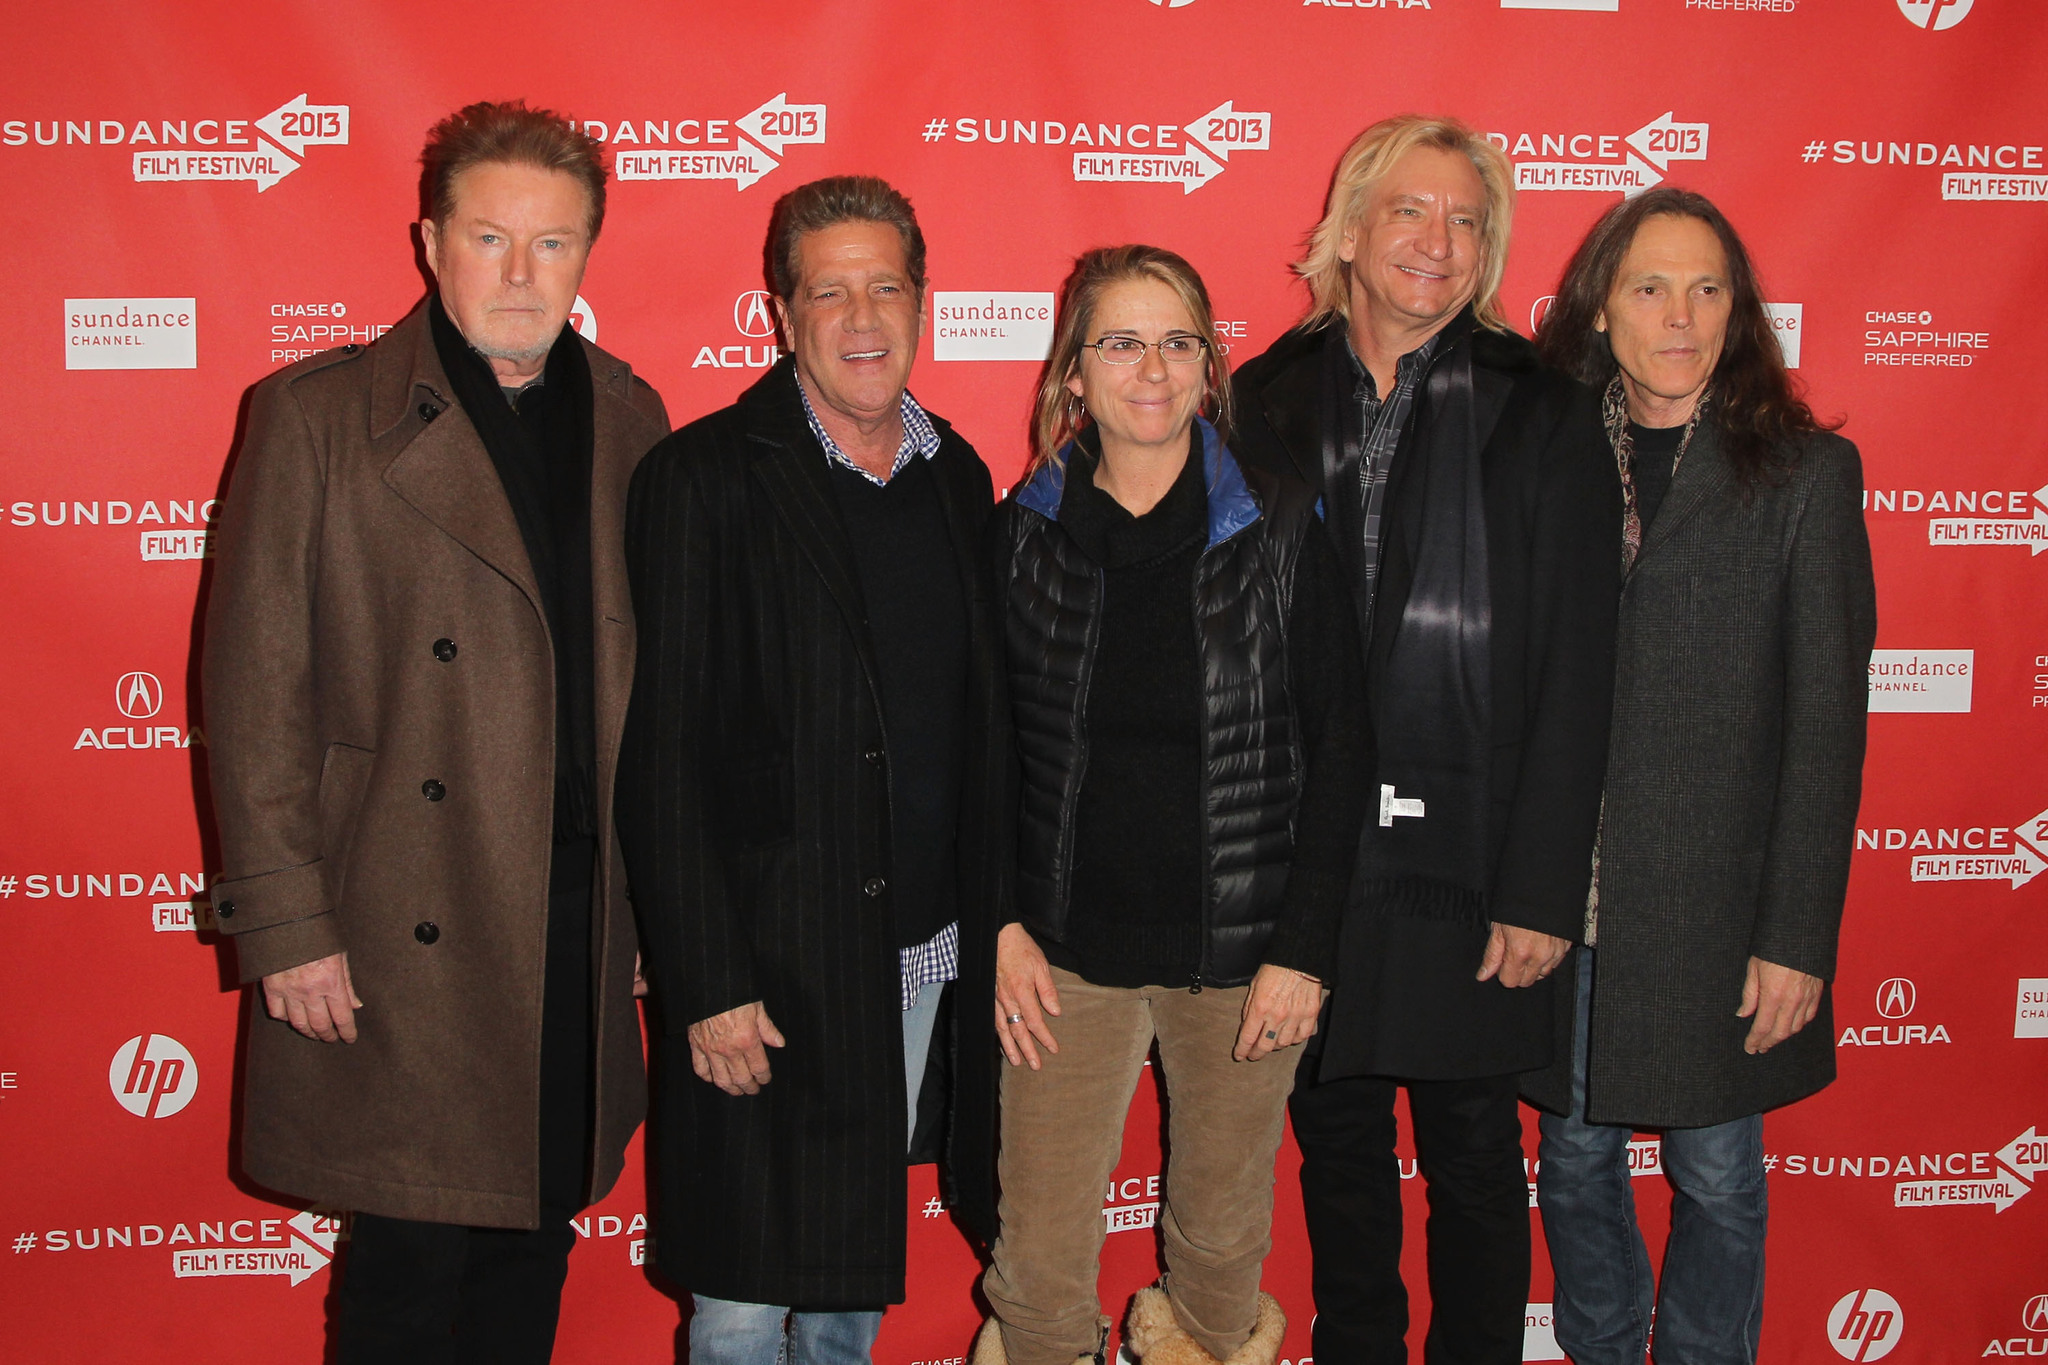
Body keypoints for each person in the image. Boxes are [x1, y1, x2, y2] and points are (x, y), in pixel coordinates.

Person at [202, 101, 669, 1362]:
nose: (521, 274)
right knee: (411, 1260)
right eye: (489, 238)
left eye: (553, 244)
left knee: (533, 1238)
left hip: (570, 912)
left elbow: (654, 696)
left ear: (589, 255)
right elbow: (253, 692)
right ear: (429, 242)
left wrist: (646, 914)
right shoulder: (316, 418)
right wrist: (288, 924)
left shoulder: (632, 422)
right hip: (396, 908)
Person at [1231, 115, 1620, 1364]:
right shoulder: (1256, 402)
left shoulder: (1545, 415)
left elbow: (1577, 672)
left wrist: (1542, 889)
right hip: (1309, 863)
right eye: (1409, 210)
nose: (1435, 242)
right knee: (1337, 1157)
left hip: (1477, 868)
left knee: (1469, 1161)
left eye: (1464, 220)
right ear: (1347, 229)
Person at [616, 175, 1006, 1365]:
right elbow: (662, 752)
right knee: (737, 1306)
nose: (861, 317)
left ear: (921, 298)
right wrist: (707, 980)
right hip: (763, 966)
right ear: (781, 314)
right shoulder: (703, 478)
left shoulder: (959, 475)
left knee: (843, 1295)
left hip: (918, 951)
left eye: (885, 285)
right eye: (827, 291)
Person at [975, 245, 1370, 1365]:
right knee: (1039, 1261)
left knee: (1217, 1251)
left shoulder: (1280, 527)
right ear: (1072, 374)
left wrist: (1303, 949)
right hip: (1060, 962)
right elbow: (987, 750)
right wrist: (1000, 918)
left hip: (1242, 960)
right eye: (1119, 341)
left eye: (1176, 341)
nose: (1150, 368)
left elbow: (1343, 747)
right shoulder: (1022, 533)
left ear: (1208, 369)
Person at [1524, 187, 1877, 1365]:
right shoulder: (1547, 453)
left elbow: (1825, 729)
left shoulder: (1803, 475)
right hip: (1559, 891)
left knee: (1715, 1171)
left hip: (1714, 907)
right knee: (1570, 1158)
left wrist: (1796, 938)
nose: (1678, 315)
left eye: (1706, 287)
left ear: (1739, 311)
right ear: (1598, 308)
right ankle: (1603, 1347)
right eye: (1648, 286)